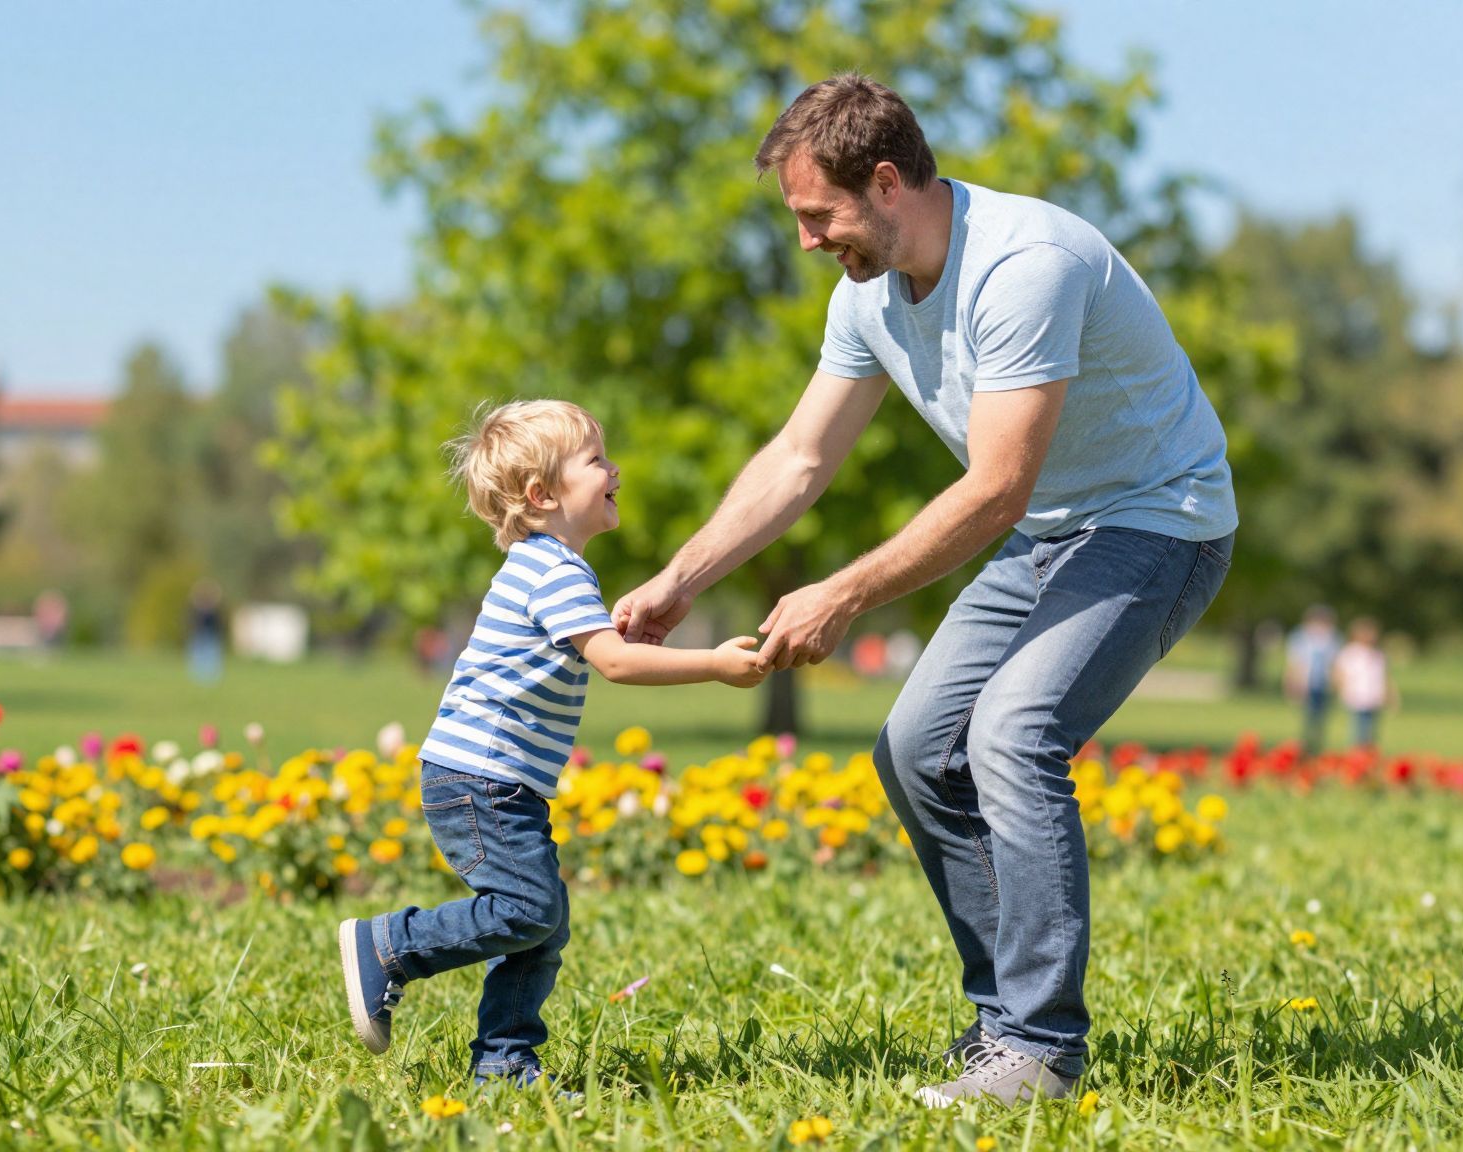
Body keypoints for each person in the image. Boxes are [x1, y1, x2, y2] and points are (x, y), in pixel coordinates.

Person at [613, 75, 1236, 1106]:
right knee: (914, 751)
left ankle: (1040, 1049)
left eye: (818, 215)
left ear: (888, 181)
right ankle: (1003, 1030)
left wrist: (840, 594)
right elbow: (799, 458)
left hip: (1153, 521)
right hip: (1047, 533)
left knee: (1011, 732)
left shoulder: (1023, 267)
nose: (808, 240)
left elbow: (994, 488)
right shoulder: (863, 294)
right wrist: (682, 577)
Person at [336, 400, 765, 1089]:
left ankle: (504, 1063)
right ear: (542, 495)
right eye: (596, 460)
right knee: (530, 911)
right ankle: (392, 945)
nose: (614, 468)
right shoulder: (556, 571)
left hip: (494, 779)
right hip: (481, 779)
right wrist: (712, 663)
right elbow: (615, 665)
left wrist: (617, 632)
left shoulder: (548, 570)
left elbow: (598, 647)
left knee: (542, 923)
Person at [1282, 606, 1340, 755]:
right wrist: (1290, 683)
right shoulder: (1300, 637)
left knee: (1321, 717)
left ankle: (1316, 746)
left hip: (1323, 683)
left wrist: (1337, 683)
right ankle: (1305, 746)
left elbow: (1335, 663)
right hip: (1305, 683)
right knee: (1307, 715)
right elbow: (1294, 663)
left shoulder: (1332, 638)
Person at [1332, 617, 1396, 749]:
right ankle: (1357, 753)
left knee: (1371, 729)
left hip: (1373, 696)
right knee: (1359, 728)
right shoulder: (1350, 653)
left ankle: (1368, 753)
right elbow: (1339, 673)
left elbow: (1383, 676)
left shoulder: (1377, 654)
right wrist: (1342, 689)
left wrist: (1389, 694)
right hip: (1356, 696)